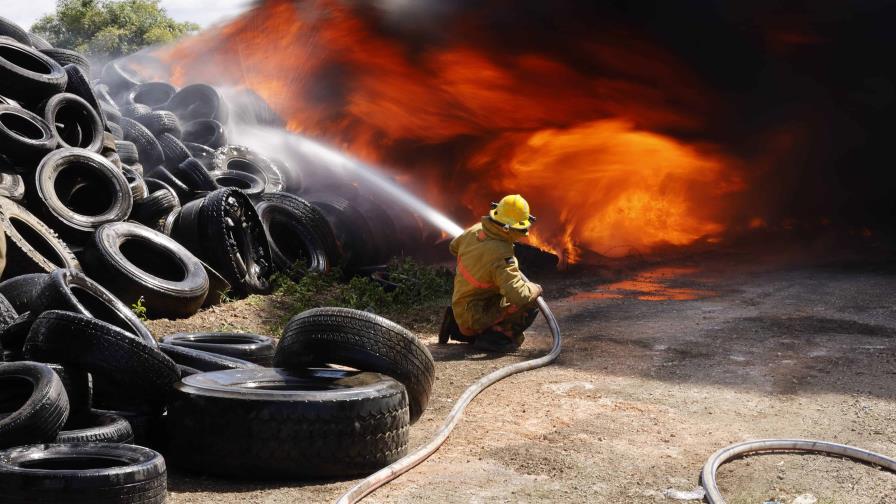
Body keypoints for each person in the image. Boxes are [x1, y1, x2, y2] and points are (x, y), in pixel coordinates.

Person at [439, 194, 542, 352]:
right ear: (507, 228)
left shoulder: (476, 229)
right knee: (530, 301)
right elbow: (518, 295)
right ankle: (495, 339)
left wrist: (480, 263)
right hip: (474, 315)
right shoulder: (501, 254)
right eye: (520, 227)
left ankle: (456, 324)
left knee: (500, 295)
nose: (524, 231)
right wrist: (536, 288)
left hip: (462, 305)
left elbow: (453, 247)